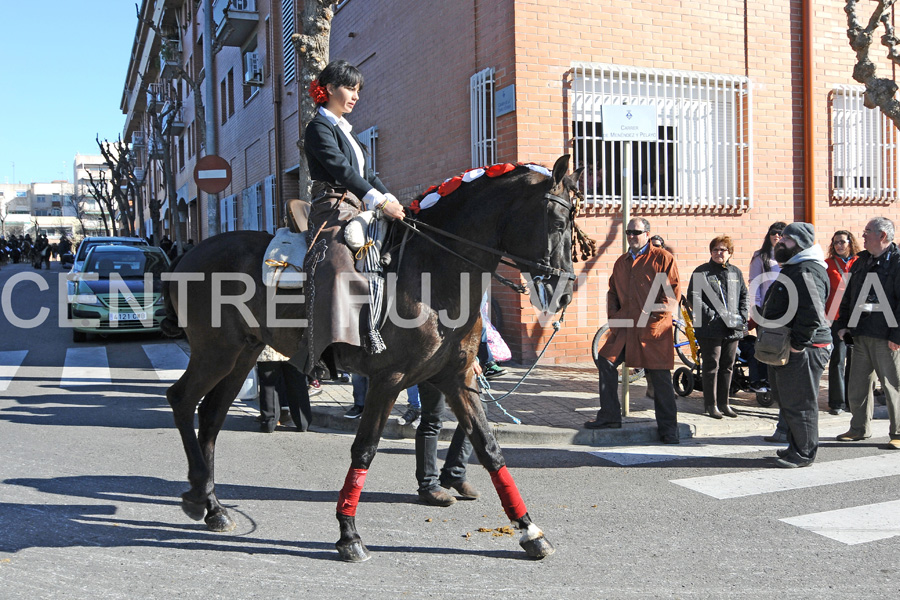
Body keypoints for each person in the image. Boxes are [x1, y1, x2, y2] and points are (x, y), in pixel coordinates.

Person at [298, 59, 404, 372]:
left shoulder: (348, 132)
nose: (355, 96)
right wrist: (380, 203)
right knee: (336, 262)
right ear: (329, 88)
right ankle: (325, 349)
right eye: (349, 88)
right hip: (332, 205)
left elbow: (368, 175)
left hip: (358, 204)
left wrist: (391, 201)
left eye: (358, 90)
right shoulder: (318, 127)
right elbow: (341, 171)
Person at [585, 217, 683, 444]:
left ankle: (669, 429)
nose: (631, 236)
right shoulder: (622, 262)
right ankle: (609, 416)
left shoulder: (663, 259)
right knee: (605, 361)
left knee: (660, 379)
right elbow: (612, 292)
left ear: (647, 234)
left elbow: (671, 296)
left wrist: (653, 320)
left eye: (636, 232)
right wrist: (615, 317)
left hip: (653, 330)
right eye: (628, 232)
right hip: (625, 327)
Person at [761, 222, 831, 468]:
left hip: (806, 348)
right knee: (790, 401)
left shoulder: (807, 270)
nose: (780, 242)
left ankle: (804, 453)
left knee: (801, 402)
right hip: (789, 345)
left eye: (786, 239)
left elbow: (812, 312)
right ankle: (794, 447)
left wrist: (799, 345)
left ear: (799, 243)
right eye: (780, 238)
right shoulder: (794, 267)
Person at [835, 217, 900, 449]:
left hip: (887, 336)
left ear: (882, 236)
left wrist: (897, 335)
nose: (862, 236)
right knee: (858, 385)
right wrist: (843, 324)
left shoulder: (897, 262)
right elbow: (848, 295)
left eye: (867, 232)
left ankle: (899, 432)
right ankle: (859, 428)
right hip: (860, 332)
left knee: (893, 385)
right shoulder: (861, 261)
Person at [688, 235, 749, 419]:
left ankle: (725, 403)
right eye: (715, 249)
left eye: (722, 250)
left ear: (730, 253)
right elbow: (693, 297)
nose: (718, 253)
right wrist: (712, 315)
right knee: (711, 365)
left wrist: (743, 316)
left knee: (728, 366)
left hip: (732, 329)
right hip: (710, 328)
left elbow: (744, 296)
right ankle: (710, 404)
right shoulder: (701, 272)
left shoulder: (735, 273)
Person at [415, 381, 479, 506]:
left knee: (474, 412)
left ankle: (454, 473)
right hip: (433, 366)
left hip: (459, 367)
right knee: (432, 419)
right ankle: (428, 485)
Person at [824, 230, 860, 415]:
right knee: (838, 359)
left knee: (855, 361)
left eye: (843, 242)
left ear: (850, 243)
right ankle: (836, 402)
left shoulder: (859, 262)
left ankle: (850, 400)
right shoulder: (828, 264)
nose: (839, 245)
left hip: (856, 319)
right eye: (836, 242)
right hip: (836, 318)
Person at [748, 221, 786, 394]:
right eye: (773, 232)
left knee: (783, 346)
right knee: (766, 346)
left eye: (781, 232)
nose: (777, 235)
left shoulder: (791, 256)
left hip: (787, 309)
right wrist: (755, 308)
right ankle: (764, 381)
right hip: (766, 310)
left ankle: (781, 382)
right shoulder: (761, 257)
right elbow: (754, 284)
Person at [256, 345, 312, 433]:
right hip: (294, 346)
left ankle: (269, 422)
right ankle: (302, 422)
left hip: (268, 346)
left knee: (269, 384)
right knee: (297, 383)